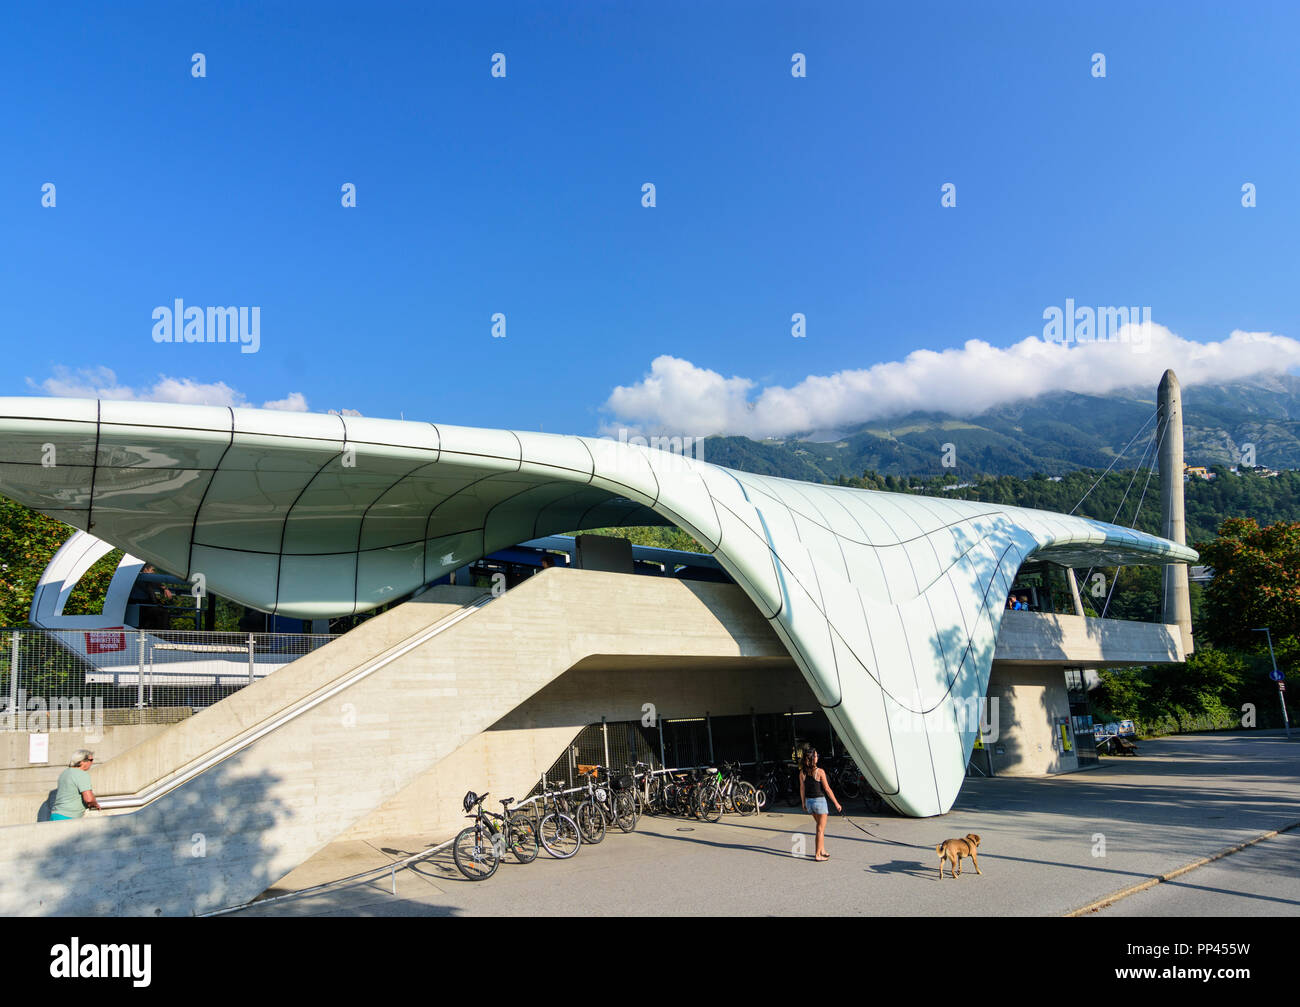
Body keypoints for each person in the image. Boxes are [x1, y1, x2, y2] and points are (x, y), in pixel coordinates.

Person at [798, 747, 841, 861]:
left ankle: (822, 850)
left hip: (809, 802)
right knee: (820, 829)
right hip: (820, 802)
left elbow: (802, 788)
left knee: (820, 827)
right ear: (812, 758)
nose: (817, 757)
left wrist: (803, 803)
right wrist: (836, 803)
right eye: (816, 755)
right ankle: (818, 854)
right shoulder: (820, 771)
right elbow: (827, 789)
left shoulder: (802, 772)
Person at [50, 750, 101, 820]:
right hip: (69, 817)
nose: (92, 763)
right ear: (82, 761)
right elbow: (89, 799)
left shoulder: (65, 773)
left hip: (55, 815)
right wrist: (95, 804)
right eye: (91, 760)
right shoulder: (81, 774)